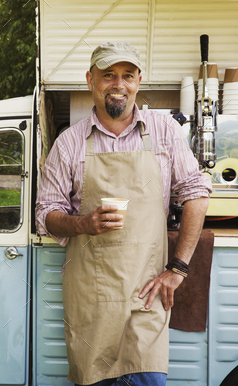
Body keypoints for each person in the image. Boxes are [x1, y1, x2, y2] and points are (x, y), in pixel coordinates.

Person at [35, 42, 212, 386]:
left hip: (147, 297)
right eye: (108, 76)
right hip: (91, 300)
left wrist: (178, 269)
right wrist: (82, 223)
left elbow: (196, 193)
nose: (119, 84)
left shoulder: (164, 132)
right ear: (90, 80)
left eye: (127, 76)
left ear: (138, 81)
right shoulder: (69, 143)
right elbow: (46, 212)